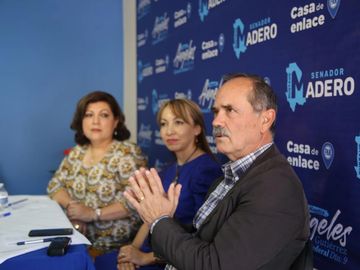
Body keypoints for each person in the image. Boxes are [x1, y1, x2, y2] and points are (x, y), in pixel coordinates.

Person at [124, 74, 311, 270]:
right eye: (216, 112)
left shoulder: (275, 187)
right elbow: (198, 243)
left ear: (265, 119)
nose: (216, 122)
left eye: (230, 110)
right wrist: (166, 220)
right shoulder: (230, 175)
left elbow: (215, 265)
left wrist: (159, 220)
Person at [99, 99, 222, 270]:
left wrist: (145, 258)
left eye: (178, 122)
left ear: (197, 129)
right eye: (164, 124)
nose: (169, 131)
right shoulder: (168, 170)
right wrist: (131, 252)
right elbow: (149, 218)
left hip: (173, 260)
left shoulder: (207, 170)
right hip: (150, 250)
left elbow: (202, 237)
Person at [47, 91, 147, 256]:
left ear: (115, 122)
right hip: (76, 239)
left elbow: (137, 201)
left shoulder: (127, 153)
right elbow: (54, 186)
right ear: (81, 121)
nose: (95, 121)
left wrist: (92, 214)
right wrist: (75, 210)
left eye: (104, 115)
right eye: (89, 115)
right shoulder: (77, 152)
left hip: (113, 247)